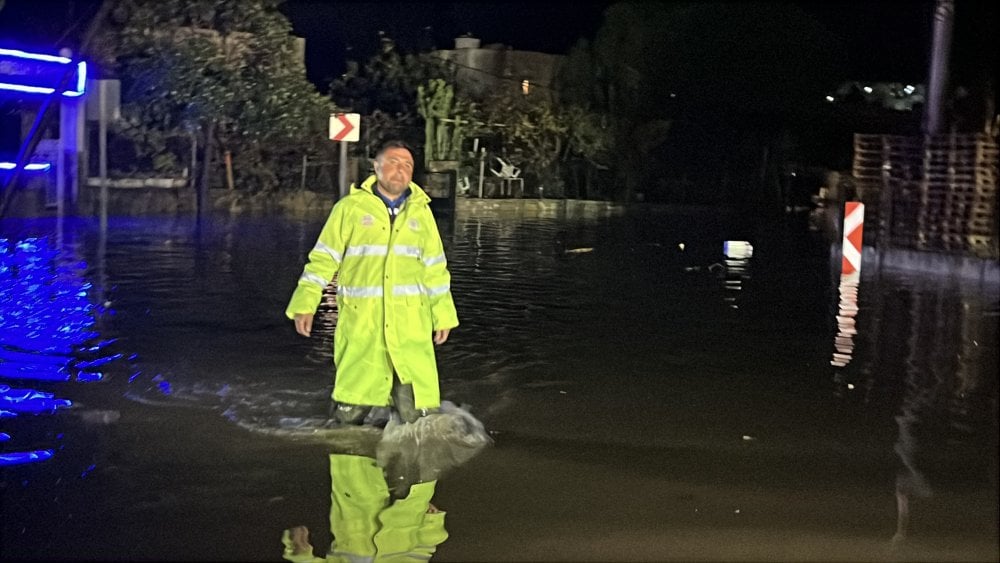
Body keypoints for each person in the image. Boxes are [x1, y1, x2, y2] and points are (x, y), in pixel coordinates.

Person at [286, 140, 458, 425]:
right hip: (364, 327)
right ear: (376, 167)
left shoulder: (421, 213)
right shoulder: (349, 209)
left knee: (420, 422)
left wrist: (443, 315)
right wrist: (306, 302)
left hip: (410, 330)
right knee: (347, 419)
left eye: (407, 165)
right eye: (393, 162)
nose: (400, 170)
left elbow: (435, 270)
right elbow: (323, 259)